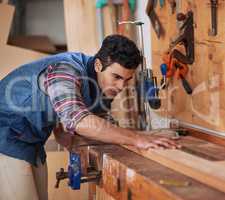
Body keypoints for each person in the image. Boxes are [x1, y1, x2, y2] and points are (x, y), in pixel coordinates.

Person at [0, 34, 180, 200]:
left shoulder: (100, 88)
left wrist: (68, 139)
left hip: (29, 142)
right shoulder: (65, 71)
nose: (120, 86)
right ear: (98, 65)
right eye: (116, 76)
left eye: (127, 79)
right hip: (5, 138)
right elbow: (76, 119)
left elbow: (74, 122)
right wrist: (137, 139)